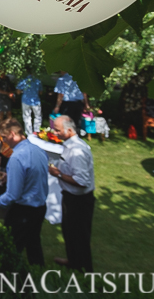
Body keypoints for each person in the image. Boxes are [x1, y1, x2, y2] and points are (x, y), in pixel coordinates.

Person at [0, 119, 50, 266]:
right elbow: (34, 175)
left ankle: (9, 280)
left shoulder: (16, 157)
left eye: (4, 137)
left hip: (23, 210)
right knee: (33, 242)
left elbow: (12, 195)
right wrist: (10, 177)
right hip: (40, 207)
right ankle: (39, 273)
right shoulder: (39, 151)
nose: (3, 141)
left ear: (13, 134)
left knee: (11, 246)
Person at [49, 115, 95, 272]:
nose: (54, 132)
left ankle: (86, 271)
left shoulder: (77, 151)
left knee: (80, 237)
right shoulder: (69, 146)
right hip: (70, 197)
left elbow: (82, 181)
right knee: (69, 233)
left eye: (57, 130)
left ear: (69, 130)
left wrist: (59, 174)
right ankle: (73, 261)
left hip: (79, 201)